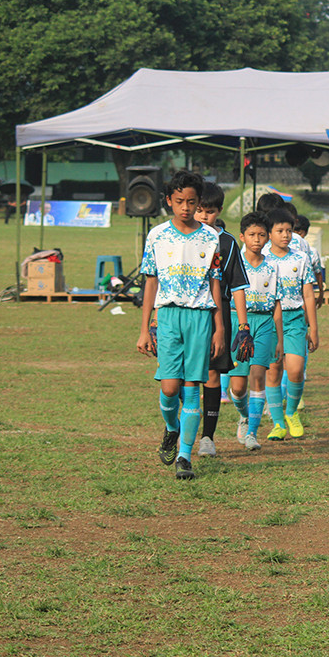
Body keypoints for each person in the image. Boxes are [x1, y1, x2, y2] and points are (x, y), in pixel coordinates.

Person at [136, 170, 224, 480]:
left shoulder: (211, 238)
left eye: (191, 202)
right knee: (170, 387)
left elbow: (215, 284)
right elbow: (150, 281)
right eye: (179, 201)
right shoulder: (157, 236)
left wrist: (220, 328)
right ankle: (172, 428)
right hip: (169, 316)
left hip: (200, 317)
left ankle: (184, 457)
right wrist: (145, 327)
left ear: (199, 203)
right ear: (169, 202)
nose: (185, 208)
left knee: (192, 387)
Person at [191, 182, 253, 457]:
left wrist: (243, 325)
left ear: (219, 211)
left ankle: (208, 437)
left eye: (210, 211)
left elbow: (238, 285)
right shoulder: (183, 239)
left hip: (219, 313)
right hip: (188, 312)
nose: (204, 216)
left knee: (213, 373)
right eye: (199, 210)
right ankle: (184, 430)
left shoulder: (227, 243)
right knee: (186, 377)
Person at [227, 212, 283, 452]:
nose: (257, 239)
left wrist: (279, 338)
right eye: (252, 235)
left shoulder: (273, 267)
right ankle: (244, 414)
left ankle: (252, 433)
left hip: (264, 324)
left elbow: (277, 304)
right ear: (242, 237)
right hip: (238, 323)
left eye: (262, 235)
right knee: (238, 387)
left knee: (258, 375)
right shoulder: (234, 262)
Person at [263, 208, 319, 441]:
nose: (285, 235)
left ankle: (291, 412)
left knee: (295, 369)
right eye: (280, 231)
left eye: (289, 230)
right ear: (269, 233)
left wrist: (313, 328)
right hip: (269, 321)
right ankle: (277, 423)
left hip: (294, 319)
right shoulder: (261, 257)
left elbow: (308, 294)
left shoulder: (300, 258)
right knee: (273, 370)